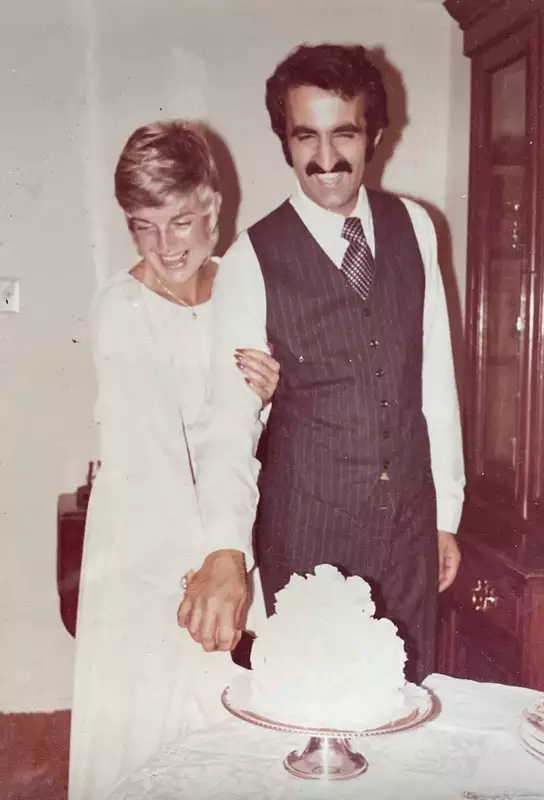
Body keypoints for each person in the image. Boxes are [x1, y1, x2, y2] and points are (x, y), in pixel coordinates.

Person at [179, 43, 465, 685]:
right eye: (306, 136)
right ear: (285, 139)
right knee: (314, 721)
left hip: (410, 534)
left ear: (375, 135)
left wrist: (447, 514)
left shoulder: (416, 228)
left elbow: (437, 384)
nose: (327, 159)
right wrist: (225, 545)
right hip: (310, 532)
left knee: (404, 707)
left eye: (345, 134)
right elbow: (229, 420)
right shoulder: (253, 258)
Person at [68, 120, 280, 800]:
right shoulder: (122, 310)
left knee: (231, 734)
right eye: (143, 226)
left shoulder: (242, 289)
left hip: (224, 536)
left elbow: (236, 433)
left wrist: (274, 398)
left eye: (181, 221)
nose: (166, 246)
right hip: (146, 549)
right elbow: (159, 463)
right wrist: (220, 568)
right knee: (150, 734)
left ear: (213, 204)